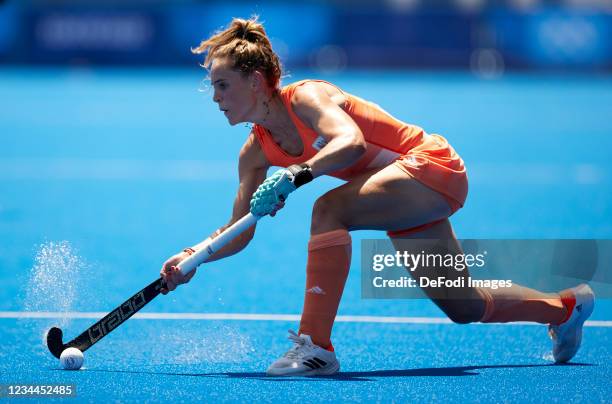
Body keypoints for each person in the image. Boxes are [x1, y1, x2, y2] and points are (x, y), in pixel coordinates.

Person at [159, 17, 595, 376]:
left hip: (430, 165)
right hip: (399, 192)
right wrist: (193, 256)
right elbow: (239, 232)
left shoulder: (307, 97)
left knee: (329, 208)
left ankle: (316, 348)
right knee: (462, 304)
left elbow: (348, 141)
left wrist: (297, 174)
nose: (215, 98)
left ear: (255, 82)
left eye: (222, 85)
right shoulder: (253, 152)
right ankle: (567, 307)